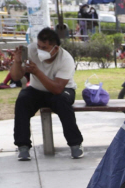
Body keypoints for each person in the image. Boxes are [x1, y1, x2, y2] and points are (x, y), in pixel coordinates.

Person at [9, 27, 84, 160]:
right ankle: (23, 146)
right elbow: (16, 77)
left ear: (55, 48)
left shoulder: (66, 59)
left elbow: (58, 89)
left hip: (62, 90)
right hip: (37, 89)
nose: (39, 50)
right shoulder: (31, 50)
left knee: (62, 101)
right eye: (38, 46)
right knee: (23, 99)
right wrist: (17, 61)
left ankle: (75, 144)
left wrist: (37, 72)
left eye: (44, 47)